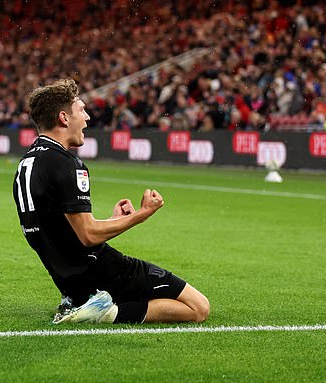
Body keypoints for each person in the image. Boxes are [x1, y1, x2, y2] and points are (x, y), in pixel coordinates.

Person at [13, 79, 210, 324]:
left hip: (66, 277)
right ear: (64, 118)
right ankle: (105, 312)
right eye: (82, 110)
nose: (87, 118)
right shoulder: (66, 164)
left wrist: (113, 221)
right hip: (100, 270)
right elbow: (88, 236)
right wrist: (143, 214)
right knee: (198, 307)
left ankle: (80, 300)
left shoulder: (27, 163)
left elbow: (60, 229)